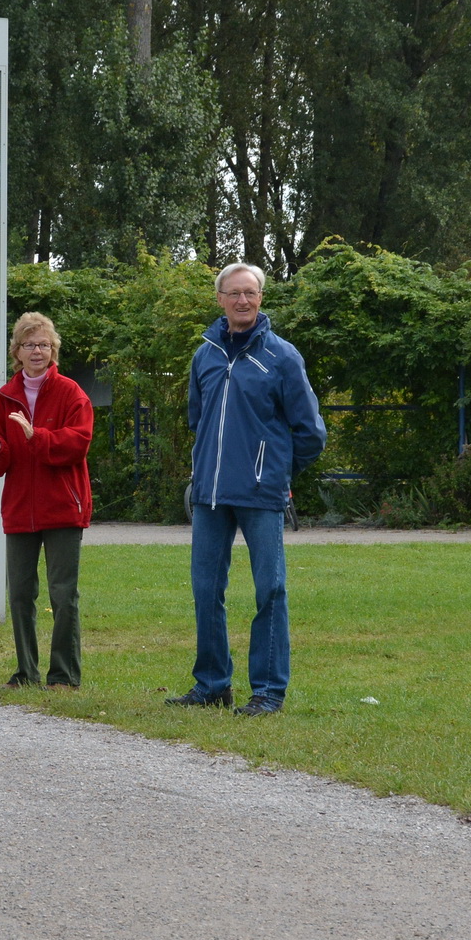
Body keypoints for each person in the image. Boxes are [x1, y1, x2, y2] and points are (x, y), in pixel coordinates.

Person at [168, 262, 326, 716]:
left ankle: (269, 691)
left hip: (261, 495)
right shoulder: (205, 355)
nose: (242, 301)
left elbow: (310, 432)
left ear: (261, 298)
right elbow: (197, 419)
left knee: (270, 591)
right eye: (234, 293)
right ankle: (212, 684)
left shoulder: (281, 356)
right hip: (210, 496)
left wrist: (275, 471)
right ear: (220, 299)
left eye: (250, 293)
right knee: (205, 591)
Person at [0, 313, 93, 690]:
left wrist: (36, 436)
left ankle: (63, 675)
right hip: (19, 509)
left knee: (63, 595)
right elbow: (0, 461)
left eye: (43, 344)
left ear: (53, 349)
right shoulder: (5, 397)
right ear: (17, 351)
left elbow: (78, 443)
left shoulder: (71, 393)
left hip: (62, 508)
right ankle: (26, 672)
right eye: (29, 345)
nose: (37, 351)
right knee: (21, 594)